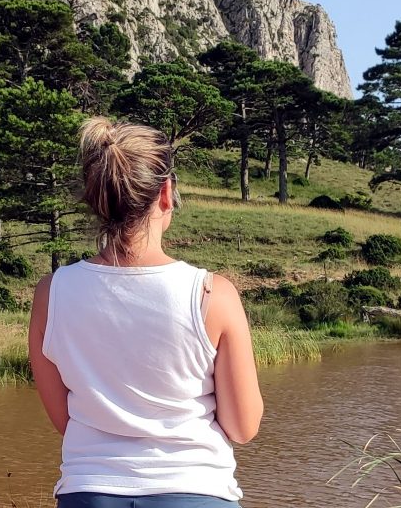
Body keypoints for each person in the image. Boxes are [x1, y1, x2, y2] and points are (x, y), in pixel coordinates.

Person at [27, 117, 264, 507]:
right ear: (166, 193)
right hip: (197, 492)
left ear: (96, 198)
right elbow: (243, 427)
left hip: (89, 493)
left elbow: (64, 420)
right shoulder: (213, 294)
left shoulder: (50, 294)